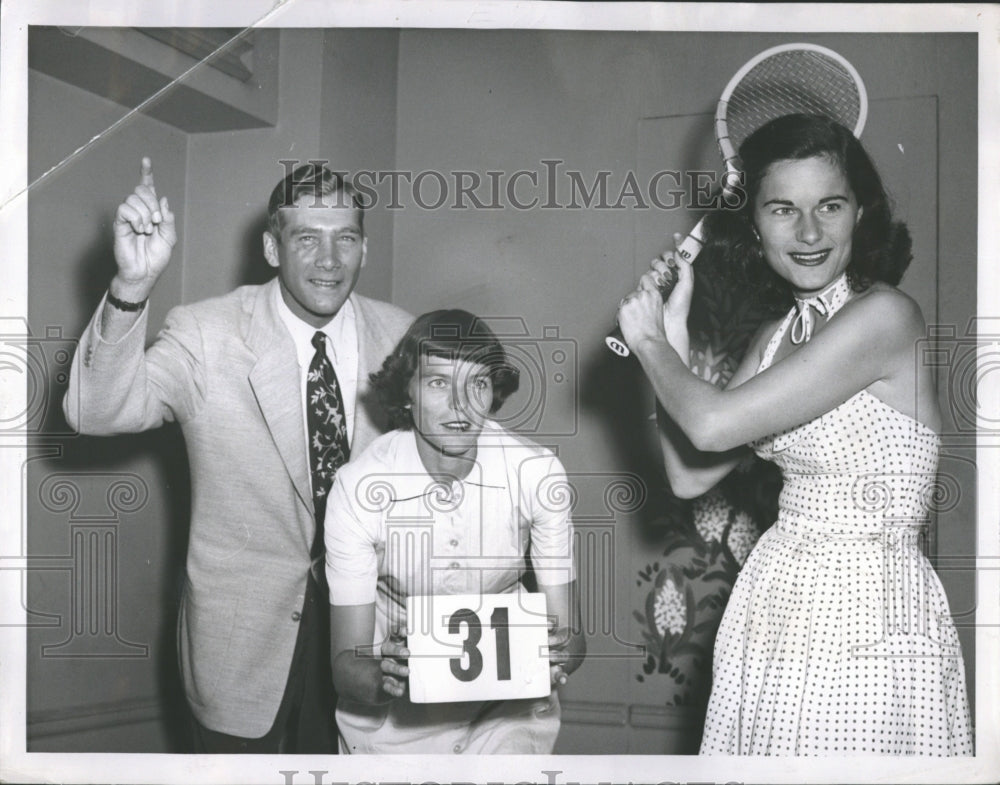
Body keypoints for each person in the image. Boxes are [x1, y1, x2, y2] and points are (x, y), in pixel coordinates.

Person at [616, 114, 973, 755]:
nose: (809, 232)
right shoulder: (777, 335)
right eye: (783, 209)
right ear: (753, 224)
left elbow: (710, 421)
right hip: (777, 601)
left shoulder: (885, 316)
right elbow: (689, 469)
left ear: (861, 213)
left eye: (829, 205)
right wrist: (670, 333)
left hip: (869, 610)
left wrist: (644, 342)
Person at [62, 158, 413, 753]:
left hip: (372, 648)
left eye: (345, 239)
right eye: (307, 238)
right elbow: (95, 412)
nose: (329, 260)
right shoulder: (206, 333)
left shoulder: (402, 335)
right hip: (240, 655)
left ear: (365, 249)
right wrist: (132, 287)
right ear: (272, 248)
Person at [323, 309, 586, 754]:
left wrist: (555, 656)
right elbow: (346, 666)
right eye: (439, 383)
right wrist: (387, 676)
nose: (461, 406)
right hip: (395, 729)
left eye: (478, 384)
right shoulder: (359, 487)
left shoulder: (537, 473)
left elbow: (571, 640)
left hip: (507, 716)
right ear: (406, 391)